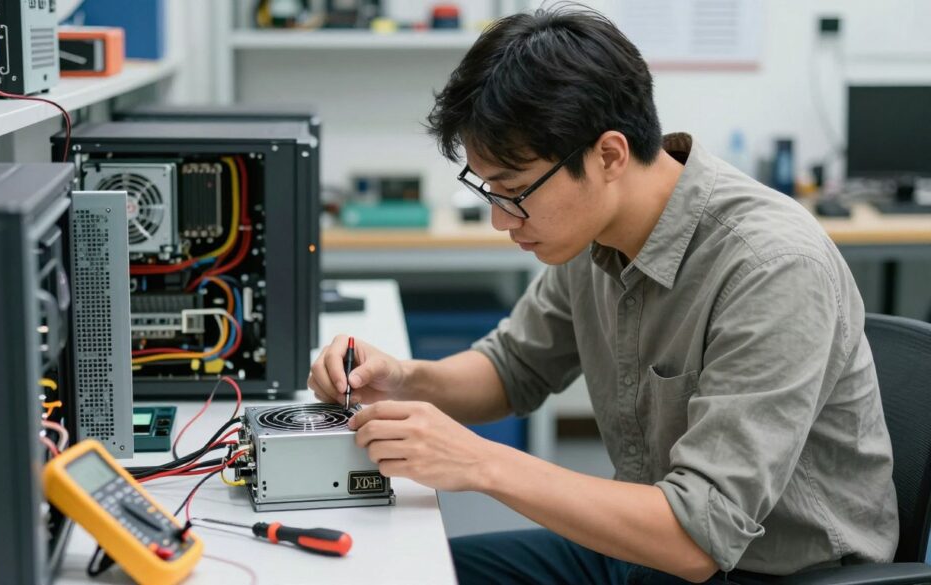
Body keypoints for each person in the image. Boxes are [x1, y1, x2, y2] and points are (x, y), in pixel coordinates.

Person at [308, 5, 898, 584]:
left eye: (513, 191)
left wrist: (478, 462)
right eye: (488, 189)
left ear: (609, 154)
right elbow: (511, 369)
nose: (498, 219)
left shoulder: (770, 267)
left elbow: (699, 537)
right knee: (396, 571)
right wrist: (403, 379)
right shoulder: (594, 233)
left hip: (761, 571)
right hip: (641, 546)